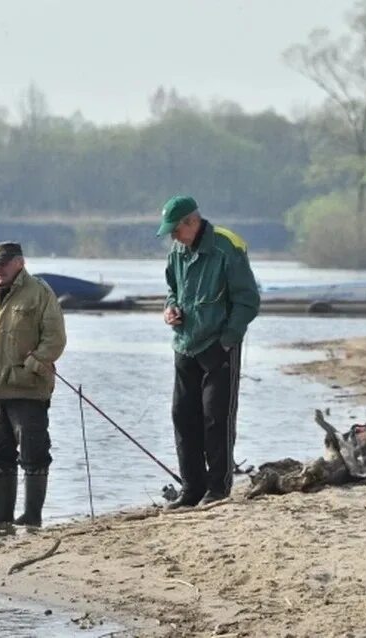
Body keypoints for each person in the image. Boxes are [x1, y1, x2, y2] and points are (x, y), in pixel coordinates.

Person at [157, 195, 261, 509]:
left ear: (192, 222)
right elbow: (172, 289)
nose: (173, 237)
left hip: (219, 345)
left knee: (215, 417)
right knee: (182, 416)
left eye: (176, 230)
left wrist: (228, 339)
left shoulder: (227, 247)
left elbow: (248, 301)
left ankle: (217, 488)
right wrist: (170, 310)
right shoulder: (176, 251)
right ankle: (191, 489)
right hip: (184, 345)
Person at [0, 241, 67, 527]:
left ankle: (32, 517)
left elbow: (55, 337)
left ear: (19, 263)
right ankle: (1, 519)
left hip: (29, 390)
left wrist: (33, 366)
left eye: (3, 264)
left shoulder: (40, 293)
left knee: (34, 454)